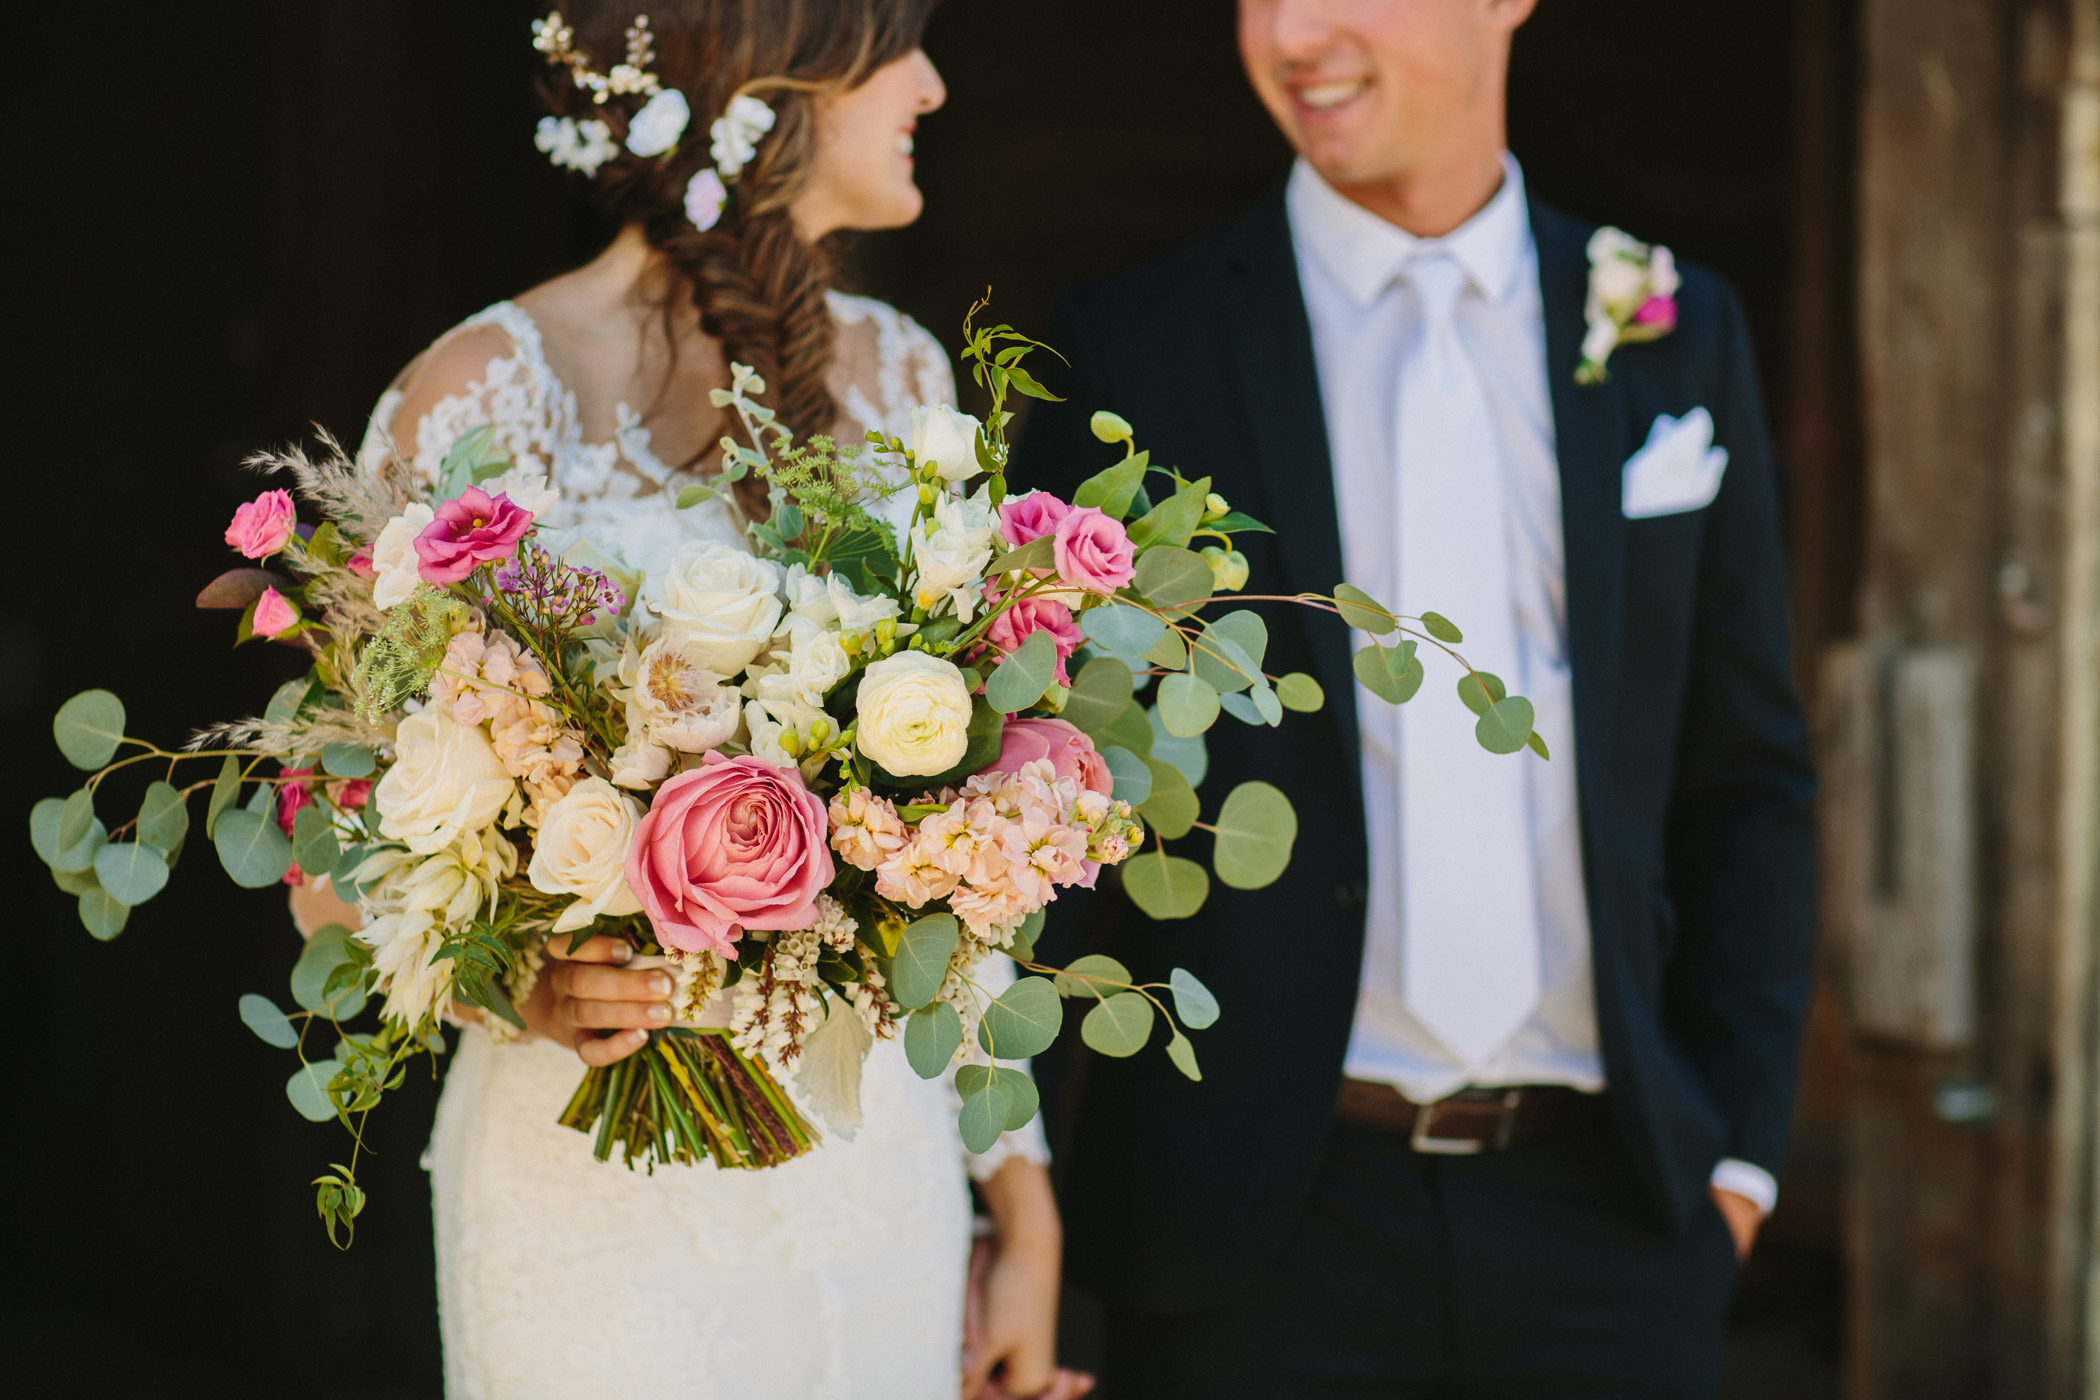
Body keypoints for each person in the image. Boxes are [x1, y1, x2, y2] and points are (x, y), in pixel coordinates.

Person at [290, 4, 1090, 1396]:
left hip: (874, 1169)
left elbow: (961, 865)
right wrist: (516, 977)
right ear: (769, 78)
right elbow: (328, 854)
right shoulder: (487, 394)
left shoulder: (902, 377)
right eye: (896, 46)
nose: (935, 85)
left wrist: (1020, 1206)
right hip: (592, 1197)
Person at [1021, 0, 1816, 1395]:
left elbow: (1742, 776)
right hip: (1255, 1237)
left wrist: (1738, 1162)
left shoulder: (1674, 333)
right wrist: (1005, 1192)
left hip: (1619, 1224)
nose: (1291, 35)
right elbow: (1042, 804)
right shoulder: (1132, 350)